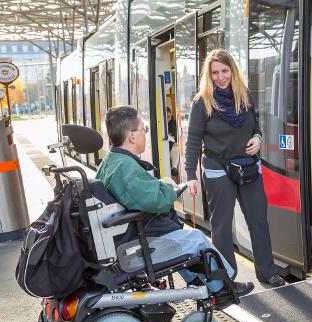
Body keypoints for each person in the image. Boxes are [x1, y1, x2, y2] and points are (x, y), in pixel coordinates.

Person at [95, 105, 254, 307]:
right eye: (143, 129)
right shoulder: (126, 169)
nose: (145, 133)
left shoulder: (112, 160)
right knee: (197, 240)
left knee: (183, 241)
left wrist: (161, 185)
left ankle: (199, 283)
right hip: (135, 246)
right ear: (132, 136)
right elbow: (158, 201)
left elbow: (138, 194)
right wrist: (174, 190)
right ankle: (223, 288)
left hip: (126, 239)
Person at [184, 49, 285, 287]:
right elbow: (193, 142)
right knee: (221, 227)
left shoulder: (244, 96)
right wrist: (191, 175)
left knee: (258, 220)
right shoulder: (202, 103)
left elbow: (255, 126)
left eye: (224, 71)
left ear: (232, 71)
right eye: (215, 72)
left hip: (248, 167)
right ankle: (227, 277)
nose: (220, 77)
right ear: (208, 75)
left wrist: (258, 138)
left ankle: (266, 272)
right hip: (218, 169)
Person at [166, 107, 179, 177]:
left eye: (170, 116)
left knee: (176, 147)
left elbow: (175, 136)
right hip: (164, 146)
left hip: (171, 144)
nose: (169, 118)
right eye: (167, 117)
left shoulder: (173, 124)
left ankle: (174, 167)